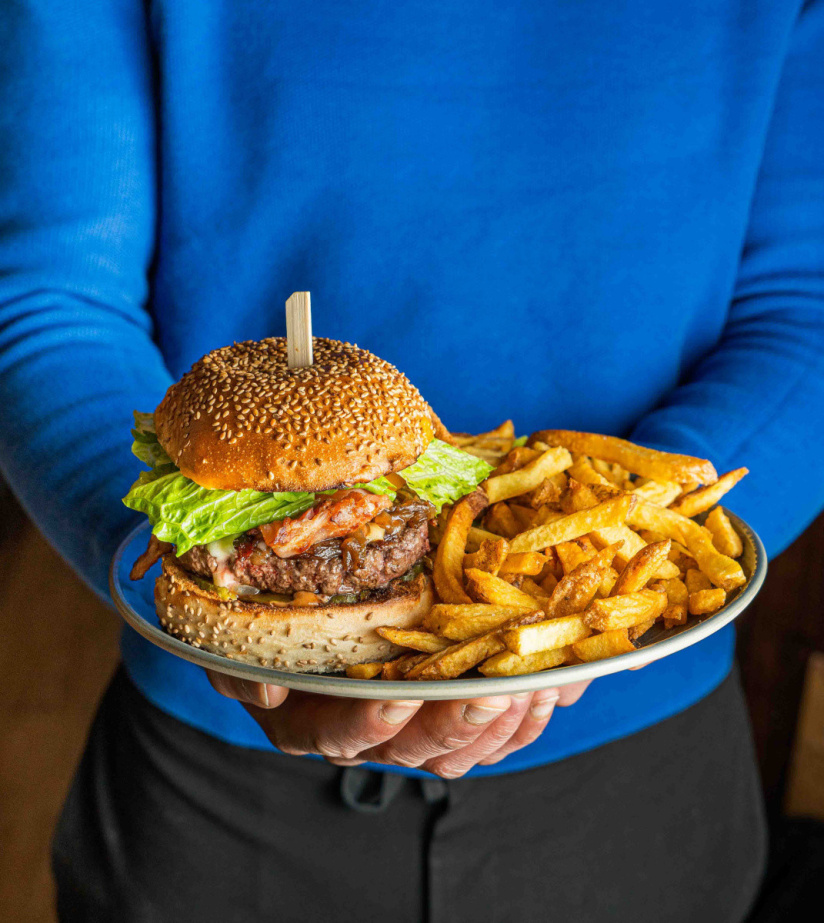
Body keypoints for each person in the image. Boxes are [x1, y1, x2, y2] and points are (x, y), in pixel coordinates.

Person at [1, 1, 822, 920]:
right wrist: (174, 579)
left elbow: (807, 306)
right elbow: (48, 297)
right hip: (211, 791)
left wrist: (629, 561)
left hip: (639, 772)